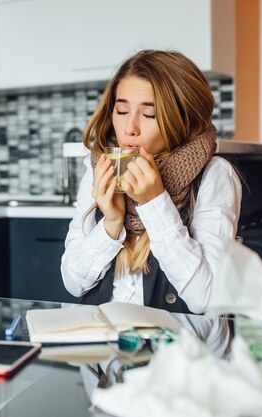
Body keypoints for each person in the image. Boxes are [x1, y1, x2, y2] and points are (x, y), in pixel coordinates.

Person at [60, 50, 242, 314]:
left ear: (182, 119)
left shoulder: (214, 175)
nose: (129, 128)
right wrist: (111, 224)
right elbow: (73, 283)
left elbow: (206, 299)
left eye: (149, 115)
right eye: (121, 110)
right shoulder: (100, 168)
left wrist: (155, 203)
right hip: (106, 347)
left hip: (179, 349)